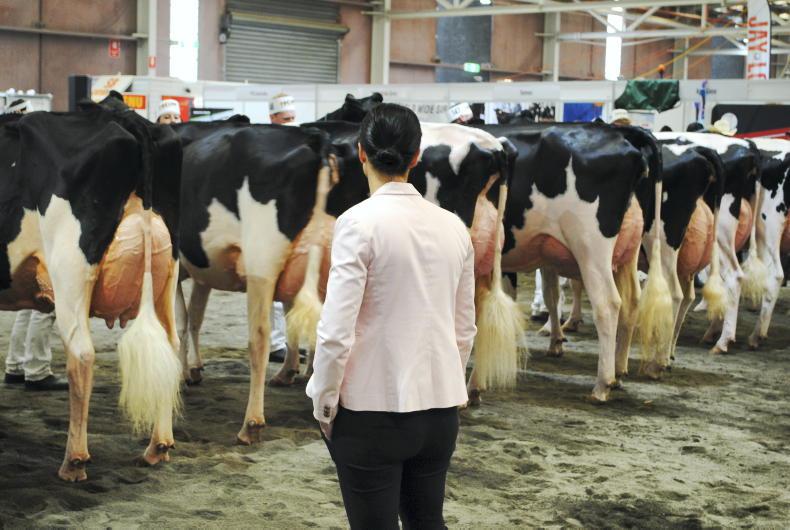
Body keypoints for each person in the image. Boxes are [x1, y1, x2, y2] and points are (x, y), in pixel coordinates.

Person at [307, 103, 475, 529]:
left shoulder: (356, 223)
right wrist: (449, 387)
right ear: (416, 156)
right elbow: (464, 330)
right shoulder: (454, 226)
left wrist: (325, 402)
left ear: (361, 152)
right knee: (428, 522)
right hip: (439, 412)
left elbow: (335, 332)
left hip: (371, 413)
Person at [2, 100, 67, 391]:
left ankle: (16, 366)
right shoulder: (29, 152)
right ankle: (37, 370)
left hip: (14, 235)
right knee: (46, 301)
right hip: (30, 231)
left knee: (27, 304)